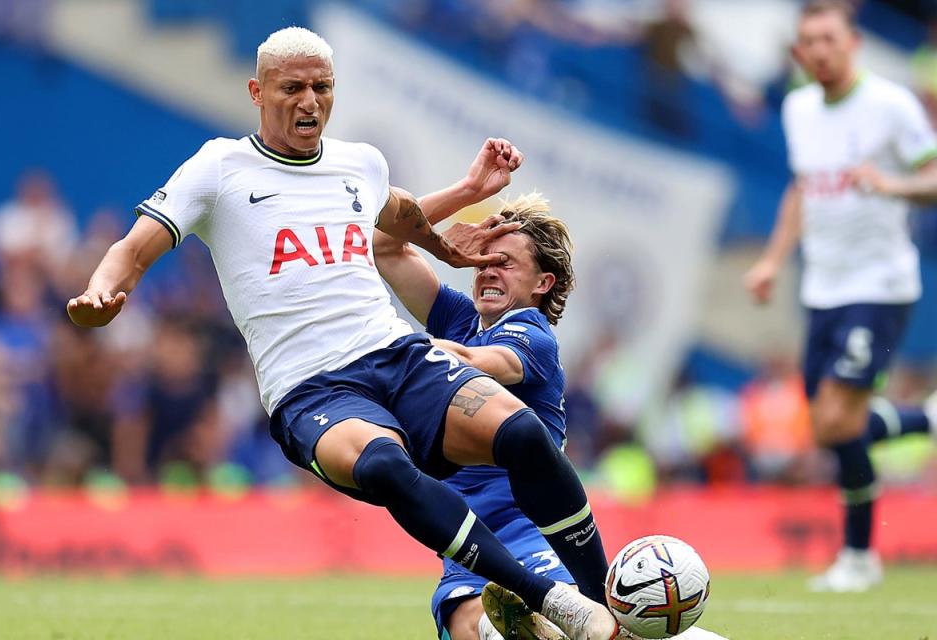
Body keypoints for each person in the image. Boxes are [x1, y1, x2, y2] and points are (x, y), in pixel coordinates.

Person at [66, 26, 618, 640]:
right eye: (293, 87)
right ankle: (550, 599)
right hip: (312, 389)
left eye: (322, 87)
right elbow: (134, 247)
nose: (310, 101)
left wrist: (460, 202)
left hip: (397, 355)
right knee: (385, 466)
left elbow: (396, 213)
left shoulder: (359, 163)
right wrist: (101, 289)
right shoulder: (219, 167)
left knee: (521, 432)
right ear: (257, 91)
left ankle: (602, 605)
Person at [375, 194, 728, 640]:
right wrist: (463, 200)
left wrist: (387, 352)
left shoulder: (532, 335)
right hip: (467, 548)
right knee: (468, 626)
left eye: (504, 262)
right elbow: (385, 245)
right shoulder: (458, 319)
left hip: (532, 536)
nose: (486, 268)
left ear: (543, 283)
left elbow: (478, 362)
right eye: (483, 258)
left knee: (533, 625)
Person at [744, 0, 937, 593]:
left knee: (835, 417)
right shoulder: (799, 108)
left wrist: (893, 184)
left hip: (879, 285)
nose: (819, 50)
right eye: (809, 41)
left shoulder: (891, 105)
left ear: (851, 42)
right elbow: (802, 188)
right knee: (830, 429)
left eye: (829, 38)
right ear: (800, 52)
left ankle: (858, 555)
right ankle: (924, 423)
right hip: (821, 288)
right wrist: (774, 258)